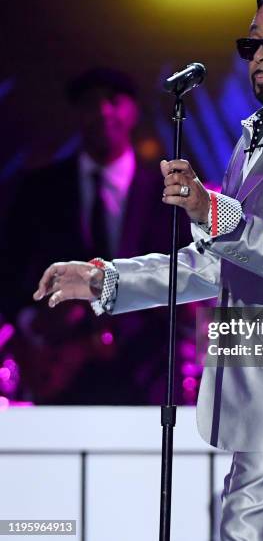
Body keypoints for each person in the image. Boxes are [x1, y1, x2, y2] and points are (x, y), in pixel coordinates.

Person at [34, 0, 263, 540]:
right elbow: (218, 261)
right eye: (252, 47)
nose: (262, 57)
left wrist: (210, 209)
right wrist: (108, 280)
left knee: (247, 530)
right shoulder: (261, 137)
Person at [1, 67, 189, 404]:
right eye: (90, 103)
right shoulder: (38, 190)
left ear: (133, 110)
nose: (103, 112)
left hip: (149, 374)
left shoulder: (170, 195)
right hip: (59, 374)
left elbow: (188, 276)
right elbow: (9, 270)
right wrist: (35, 325)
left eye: (113, 101)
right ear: (76, 113)